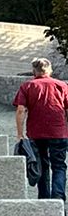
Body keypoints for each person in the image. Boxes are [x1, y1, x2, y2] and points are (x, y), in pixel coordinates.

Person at [14, 57, 68, 200]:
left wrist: (19, 134)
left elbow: (21, 110)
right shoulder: (61, 85)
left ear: (34, 71)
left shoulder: (27, 86)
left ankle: (44, 200)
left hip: (36, 133)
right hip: (59, 133)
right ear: (49, 70)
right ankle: (58, 198)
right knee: (59, 166)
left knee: (42, 166)